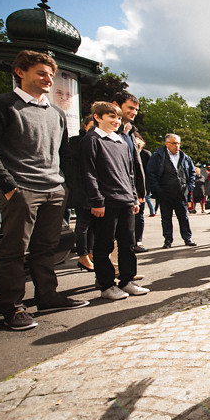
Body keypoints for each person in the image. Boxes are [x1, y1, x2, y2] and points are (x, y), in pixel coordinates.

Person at [0, 50, 88, 330]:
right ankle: (13, 308)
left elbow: (63, 153)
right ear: (20, 72)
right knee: (14, 251)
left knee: (45, 249)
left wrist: (65, 185)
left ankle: (48, 296)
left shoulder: (57, 113)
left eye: (51, 74)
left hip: (54, 190)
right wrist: (8, 186)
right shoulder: (1, 105)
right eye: (41, 73)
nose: (48, 79)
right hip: (21, 190)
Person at [80, 102, 149, 300]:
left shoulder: (121, 142)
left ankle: (127, 281)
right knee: (104, 245)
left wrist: (134, 197)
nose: (116, 121)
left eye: (118, 118)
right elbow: (88, 173)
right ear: (97, 117)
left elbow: (129, 172)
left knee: (127, 244)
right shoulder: (91, 140)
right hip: (106, 202)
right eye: (111, 117)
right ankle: (107, 285)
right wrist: (97, 201)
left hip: (126, 200)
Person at [146, 134, 196, 248]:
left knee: (183, 217)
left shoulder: (185, 157)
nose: (176, 146)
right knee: (166, 218)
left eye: (178, 143)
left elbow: (192, 173)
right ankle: (168, 240)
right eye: (173, 143)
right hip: (165, 192)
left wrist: (189, 187)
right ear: (166, 144)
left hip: (181, 192)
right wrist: (157, 190)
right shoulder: (158, 156)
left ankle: (187, 238)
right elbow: (151, 173)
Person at [67, 115, 96, 271]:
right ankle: (83, 256)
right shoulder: (75, 142)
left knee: (92, 225)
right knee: (83, 224)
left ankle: (90, 253)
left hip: (93, 190)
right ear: (84, 126)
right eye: (91, 126)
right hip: (81, 189)